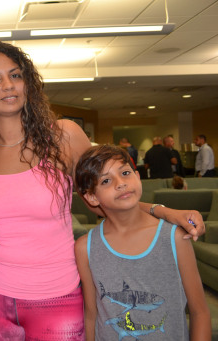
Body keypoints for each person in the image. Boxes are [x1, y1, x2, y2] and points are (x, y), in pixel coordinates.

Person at [0, 40, 205, 340]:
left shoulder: (63, 136)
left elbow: (105, 198)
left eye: (15, 75)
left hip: (58, 295)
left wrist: (162, 211)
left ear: (28, 84)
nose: (8, 85)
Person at [74, 144, 210, 340]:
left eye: (126, 173)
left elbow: (200, 312)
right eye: (105, 180)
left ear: (138, 176)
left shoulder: (175, 238)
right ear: (92, 197)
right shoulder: (85, 248)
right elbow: (91, 314)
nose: (120, 183)